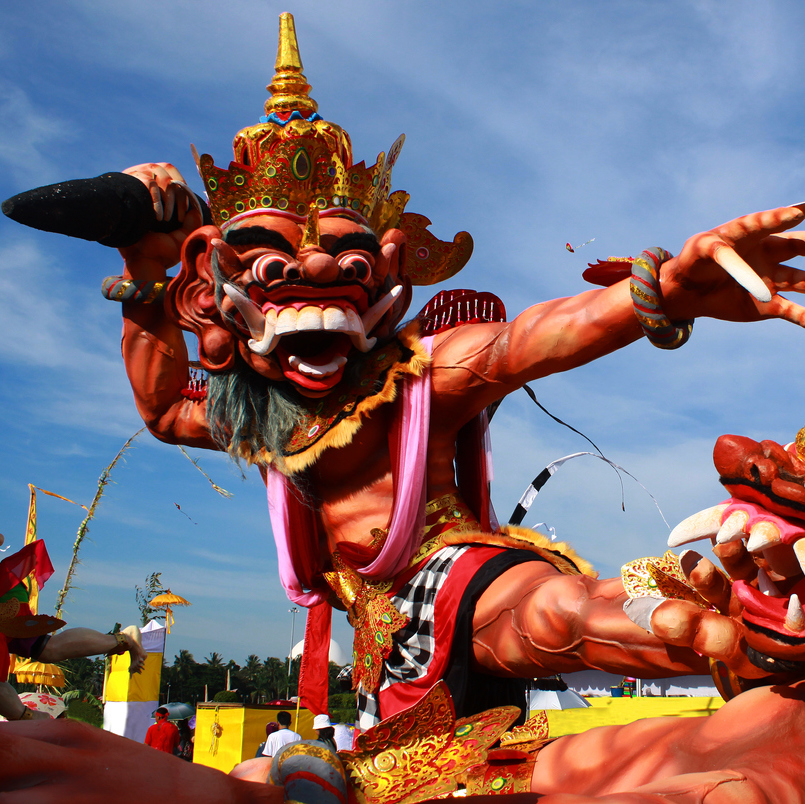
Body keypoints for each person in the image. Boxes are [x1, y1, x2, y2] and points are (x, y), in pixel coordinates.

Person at [94, 13, 805, 733]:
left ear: (386, 277)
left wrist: (657, 293)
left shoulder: (418, 377)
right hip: (379, 632)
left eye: (347, 264)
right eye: (273, 267)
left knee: (560, 615)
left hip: (456, 574)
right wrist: (142, 265)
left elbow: (523, 343)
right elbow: (161, 413)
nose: (314, 273)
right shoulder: (259, 416)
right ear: (215, 300)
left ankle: (751, 629)